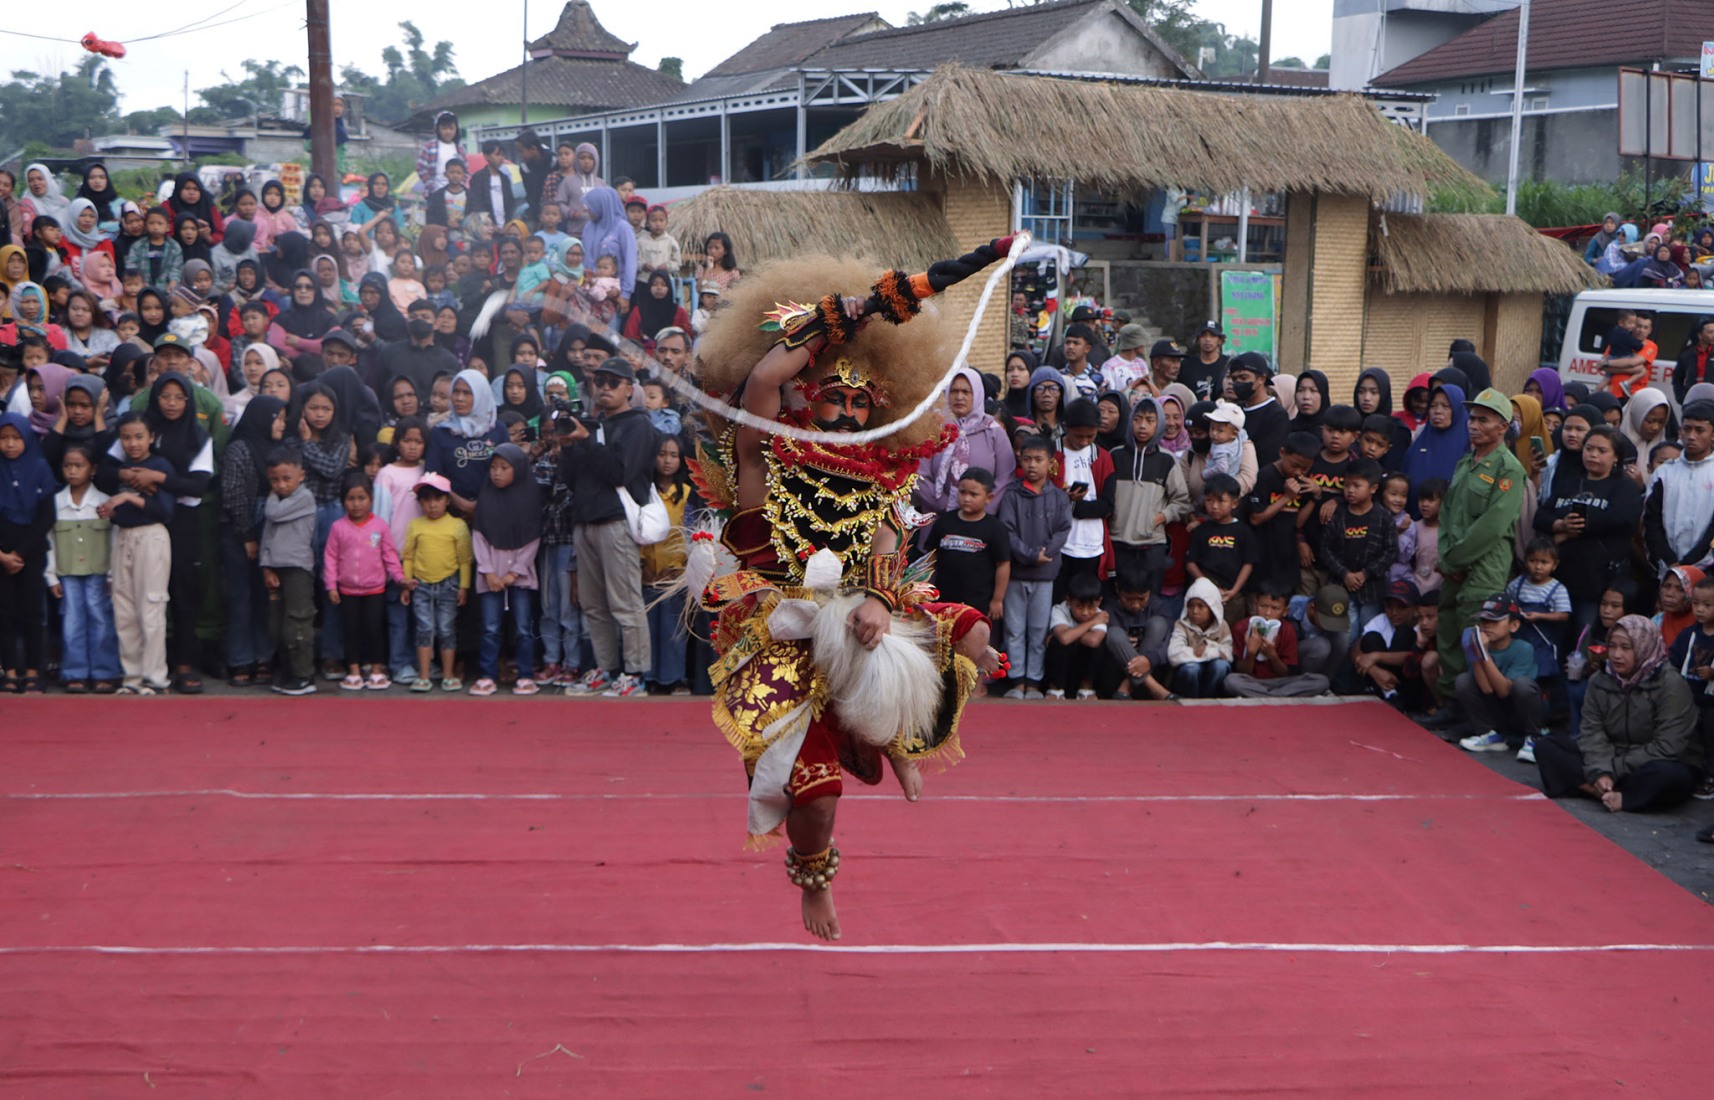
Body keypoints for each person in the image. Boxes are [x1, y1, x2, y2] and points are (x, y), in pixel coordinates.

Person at [683, 240, 1007, 940]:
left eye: (864, 405)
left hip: (862, 614)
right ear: (809, 397)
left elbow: (889, 547)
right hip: (778, 634)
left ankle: (901, 739)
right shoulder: (764, 457)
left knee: (972, 632)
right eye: (835, 397)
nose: (849, 415)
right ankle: (816, 872)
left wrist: (881, 602)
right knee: (816, 800)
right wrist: (835, 319)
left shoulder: (884, 478)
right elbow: (762, 385)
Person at [554, 357, 655, 698]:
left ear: (630, 388)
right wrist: (569, 447)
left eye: (614, 383)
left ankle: (635, 674)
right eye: (600, 382)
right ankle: (606, 669)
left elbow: (619, 472)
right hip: (585, 521)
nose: (605, 388)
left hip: (616, 522)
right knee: (593, 605)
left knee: (625, 602)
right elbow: (569, 479)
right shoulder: (590, 424)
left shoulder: (639, 425)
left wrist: (588, 441)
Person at [1426, 389, 1528, 726]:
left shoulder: (1509, 470)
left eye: (1483, 419)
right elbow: (1449, 515)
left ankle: (1478, 715)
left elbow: (1493, 526)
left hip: (1483, 568)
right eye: (1472, 418)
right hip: (1454, 563)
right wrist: (1446, 557)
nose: (1473, 425)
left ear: (1502, 427)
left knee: (1476, 639)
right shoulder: (1465, 462)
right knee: (1451, 632)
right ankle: (1453, 704)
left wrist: (1455, 561)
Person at [1536, 615, 1702, 813]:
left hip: (1649, 763)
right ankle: (1602, 791)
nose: (1616, 655)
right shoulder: (1600, 679)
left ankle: (1617, 794)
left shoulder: (1671, 684)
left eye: (1626, 648)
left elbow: (1667, 746)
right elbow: (1591, 731)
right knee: (1546, 746)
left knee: (1671, 775)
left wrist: (1612, 769)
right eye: (1612, 646)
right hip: (1610, 755)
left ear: (1644, 647)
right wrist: (1601, 770)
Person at [100, 413, 175, 694]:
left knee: (151, 606)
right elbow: (102, 477)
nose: (133, 443)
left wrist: (130, 496)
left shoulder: (159, 466)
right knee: (124, 610)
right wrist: (111, 510)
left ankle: (154, 677)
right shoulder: (119, 468)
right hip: (123, 536)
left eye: (139, 436)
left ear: (151, 437)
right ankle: (131, 677)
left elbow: (164, 510)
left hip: (151, 537)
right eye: (127, 437)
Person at [45, 443, 119, 693]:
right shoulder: (55, 503)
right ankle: (74, 672)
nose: (73, 471)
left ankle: (104, 671)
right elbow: (49, 542)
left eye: (79, 466)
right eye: (68, 466)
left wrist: (111, 574)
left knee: (100, 619)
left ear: (92, 469)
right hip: (67, 574)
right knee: (72, 620)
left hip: (99, 573)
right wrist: (51, 576)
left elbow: (114, 540)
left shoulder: (104, 503)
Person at [469, 444, 542, 696]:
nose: (497, 473)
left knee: (523, 628)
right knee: (490, 628)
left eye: (504, 468)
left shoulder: (529, 499)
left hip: (520, 579)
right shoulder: (486, 498)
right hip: (490, 578)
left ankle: (525, 675)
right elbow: (478, 537)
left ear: (518, 470)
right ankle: (487, 675)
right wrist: (488, 572)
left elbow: (533, 539)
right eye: (493, 467)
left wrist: (514, 574)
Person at [324, 470, 404, 692]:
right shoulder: (338, 528)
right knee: (350, 631)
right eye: (351, 499)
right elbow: (330, 558)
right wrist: (331, 585)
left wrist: (400, 578)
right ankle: (354, 671)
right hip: (347, 590)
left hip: (375, 589)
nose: (356, 504)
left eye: (362, 498)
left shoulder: (379, 526)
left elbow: (390, 555)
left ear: (371, 499)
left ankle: (376, 670)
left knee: (374, 630)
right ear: (343, 501)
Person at [1099, 396, 1188, 585]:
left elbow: (1181, 501)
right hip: (1117, 541)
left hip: (1152, 544)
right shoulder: (1115, 455)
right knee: (1118, 597)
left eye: (1150, 420)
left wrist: (1161, 517)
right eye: (1137, 419)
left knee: (1149, 599)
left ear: (1159, 424)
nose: (1142, 426)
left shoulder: (1167, 460)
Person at [0, 412, 55, 693]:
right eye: (4, 438)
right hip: (1, 557)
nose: (10, 444)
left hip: (31, 554)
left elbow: (47, 516)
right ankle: (9, 670)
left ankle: (34, 669)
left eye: (15, 438)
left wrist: (20, 552)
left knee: (34, 612)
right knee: (5, 613)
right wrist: (4, 556)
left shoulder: (40, 468)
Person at [402, 474, 471, 692]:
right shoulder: (415, 525)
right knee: (424, 628)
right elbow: (409, 556)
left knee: (446, 629)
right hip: (420, 584)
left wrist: (464, 587)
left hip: (449, 584)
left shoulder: (458, 526)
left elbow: (465, 560)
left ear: (447, 500)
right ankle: (424, 675)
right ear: (420, 502)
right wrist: (407, 582)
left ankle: (448, 674)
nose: (432, 505)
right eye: (426, 499)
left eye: (437, 499)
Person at [1452, 595, 1544, 754]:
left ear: (1514, 625)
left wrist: (1484, 653)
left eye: (1494, 621)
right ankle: (1490, 734)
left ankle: (1533, 738)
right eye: (1483, 621)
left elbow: (1504, 691)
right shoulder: (1478, 646)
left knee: (1522, 684)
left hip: (1520, 710)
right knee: (1463, 681)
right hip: (1496, 710)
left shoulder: (1523, 648)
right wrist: (1475, 653)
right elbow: (1486, 689)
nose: (1487, 626)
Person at [258, 450, 317, 695]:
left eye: (286, 478)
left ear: (301, 475)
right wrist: (266, 566)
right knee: (277, 624)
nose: (280, 485)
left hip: (296, 569)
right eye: (274, 480)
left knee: (298, 622)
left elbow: (272, 513)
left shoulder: (304, 498)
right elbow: (267, 536)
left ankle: (304, 675)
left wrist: (271, 494)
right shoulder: (278, 499)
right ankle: (287, 671)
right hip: (276, 568)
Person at [925, 466, 1011, 634]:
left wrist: (997, 599)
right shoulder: (944, 522)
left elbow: (1003, 565)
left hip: (979, 601)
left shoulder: (995, 529)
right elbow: (931, 557)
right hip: (944, 598)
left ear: (989, 498)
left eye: (973, 495)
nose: (966, 498)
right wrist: (926, 586)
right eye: (962, 492)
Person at [1226, 581, 1331, 698]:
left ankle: (1265, 696)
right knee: (1231, 681)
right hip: (1252, 681)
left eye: (1275, 608)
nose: (1268, 613)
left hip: (1281, 683)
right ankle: (1278, 697)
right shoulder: (1241, 628)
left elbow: (1285, 673)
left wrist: (1272, 655)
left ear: (1285, 611)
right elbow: (1241, 671)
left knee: (1321, 681)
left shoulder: (1287, 629)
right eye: (1263, 606)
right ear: (1256, 604)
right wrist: (1251, 653)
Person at [1186, 472, 1256, 621]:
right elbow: (1191, 562)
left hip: (1232, 593)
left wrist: (1234, 591)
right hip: (1205, 593)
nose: (1214, 506)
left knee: (1229, 633)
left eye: (1220, 501)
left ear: (1234, 503)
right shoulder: (1202, 530)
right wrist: (1207, 585)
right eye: (1209, 500)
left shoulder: (1243, 531)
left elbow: (1248, 564)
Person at [1045, 570, 1107, 699]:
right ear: (1068, 600)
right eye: (1079, 606)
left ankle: (1086, 688)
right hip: (1064, 664)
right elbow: (1064, 639)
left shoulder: (1100, 614)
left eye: (1090, 607)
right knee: (1056, 644)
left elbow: (1093, 641)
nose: (1085, 613)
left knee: (1098, 647)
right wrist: (1092, 623)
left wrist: (1070, 634)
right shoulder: (1059, 610)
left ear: (1099, 602)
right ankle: (1056, 688)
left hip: (1083, 663)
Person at [1168, 577, 1232, 697]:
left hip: (1211, 675)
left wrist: (1208, 647)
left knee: (1220, 666)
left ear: (1212, 608)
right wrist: (1211, 653)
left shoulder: (1222, 626)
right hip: (1188, 677)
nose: (1195, 611)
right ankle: (1191, 704)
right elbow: (1174, 654)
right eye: (1191, 606)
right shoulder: (1181, 624)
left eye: (1201, 606)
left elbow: (1228, 654)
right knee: (1192, 669)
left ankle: (1209, 703)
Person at [1227, 351, 1288, 464]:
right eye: (1235, 379)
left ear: (1261, 379)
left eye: (1244, 377)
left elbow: (1268, 459)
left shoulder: (1276, 415)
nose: (1238, 383)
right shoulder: (1235, 410)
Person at [1180, 320, 1228, 402]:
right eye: (1203, 335)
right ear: (1198, 339)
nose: (1207, 339)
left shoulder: (1228, 364)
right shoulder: (1186, 365)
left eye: (1212, 336)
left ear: (1220, 340)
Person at [1672, 317, 1714, 404]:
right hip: (1692, 400)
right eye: (1710, 332)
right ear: (1700, 335)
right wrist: (1682, 398)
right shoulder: (1687, 355)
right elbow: (1677, 378)